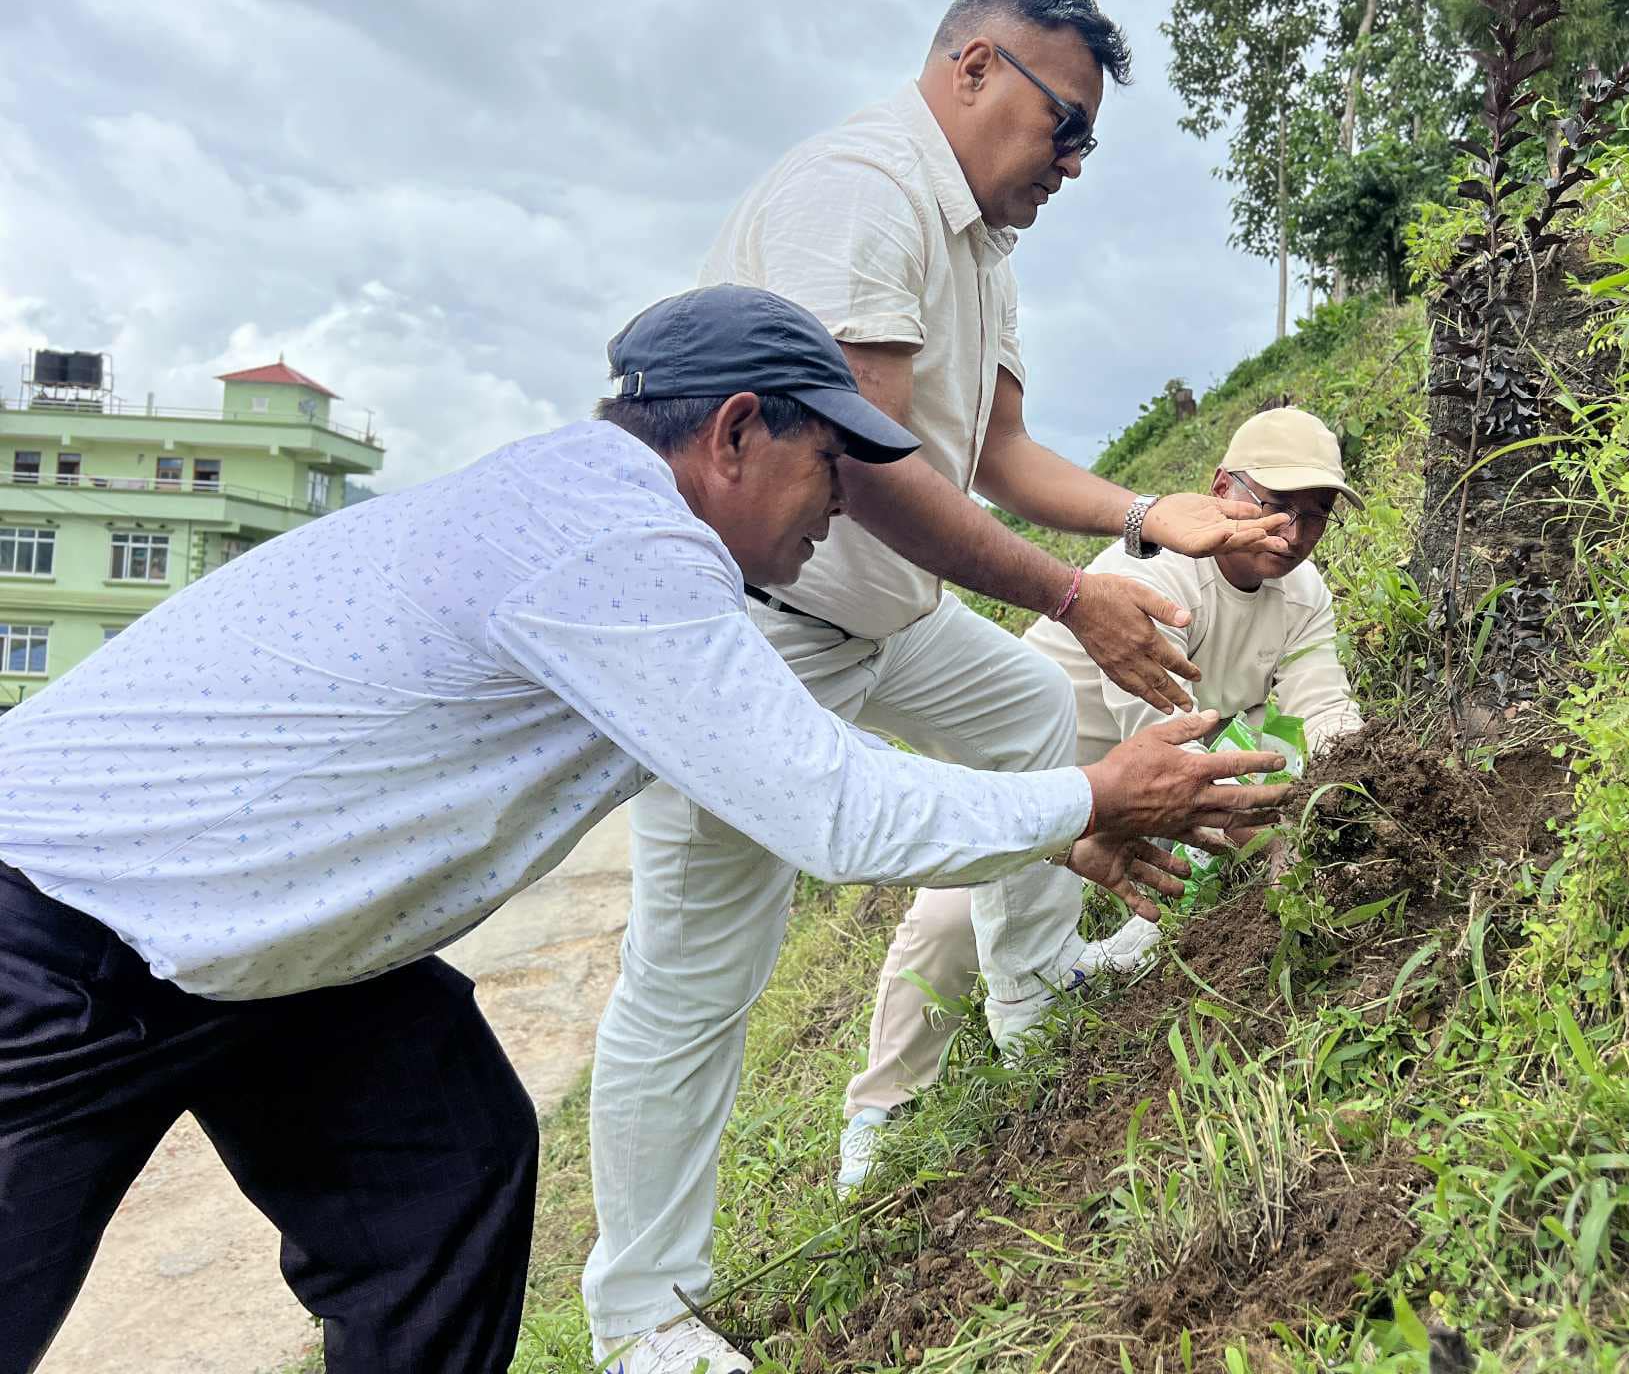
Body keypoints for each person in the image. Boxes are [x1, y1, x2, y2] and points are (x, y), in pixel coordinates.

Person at [0, 285, 1289, 1374]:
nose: (837, 509)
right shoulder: (614, 540)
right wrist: (1090, 795)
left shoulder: (605, 524)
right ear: (735, 433)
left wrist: (1058, 831)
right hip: (62, 925)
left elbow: (803, 764)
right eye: (827, 467)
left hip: (285, 939)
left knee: (447, 1172)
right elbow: (831, 810)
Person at [582, 0, 1297, 1374]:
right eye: (1065, 125)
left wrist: (1155, 519)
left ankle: (1040, 995)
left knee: (1031, 705)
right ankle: (640, 1315)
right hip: (765, 618)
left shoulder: (979, 245)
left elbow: (995, 455)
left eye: (1092, 139)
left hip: (886, 615)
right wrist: (1071, 592)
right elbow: (866, 465)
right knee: (700, 963)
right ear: (975, 68)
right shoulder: (866, 197)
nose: (1075, 162)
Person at [837, 407, 1369, 1190]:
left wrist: (1356, 779)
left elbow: (1323, 702)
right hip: (1041, 760)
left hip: (1156, 762)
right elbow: (1159, 739)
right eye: (1276, 505)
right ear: (1222, 488)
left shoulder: (1304, 595)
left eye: (1315, 516)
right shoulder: (1157, 573)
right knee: (952, 920)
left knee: (1209, 847)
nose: (1292, 533)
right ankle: (880, 1111)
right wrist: (1270, 831)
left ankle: (1093, 967)